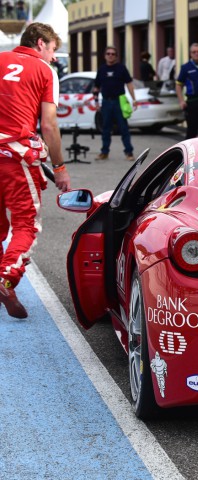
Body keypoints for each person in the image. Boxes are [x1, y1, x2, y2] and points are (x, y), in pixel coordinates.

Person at [0, 22, 71, 319]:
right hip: (16, 158)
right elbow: (49, 124)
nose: (54, 57)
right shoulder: (44, 71)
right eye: (53, 49)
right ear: (40, 43)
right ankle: (6, 279)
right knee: (26, 225)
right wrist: (60, 167)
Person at [93, 46, 137, 161]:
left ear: (116, 56)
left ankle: (129, 152)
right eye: (108, 53)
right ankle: (104, 152)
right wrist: (96, 102)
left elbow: (129, 84)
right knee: (106, 128)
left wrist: (134, 99)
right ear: (104, 56)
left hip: (119, 102)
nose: (110, 55)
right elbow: (96, 87)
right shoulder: (102, 69)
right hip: (106, 102)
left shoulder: (121, 68)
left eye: (113, 54)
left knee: (124, 128)